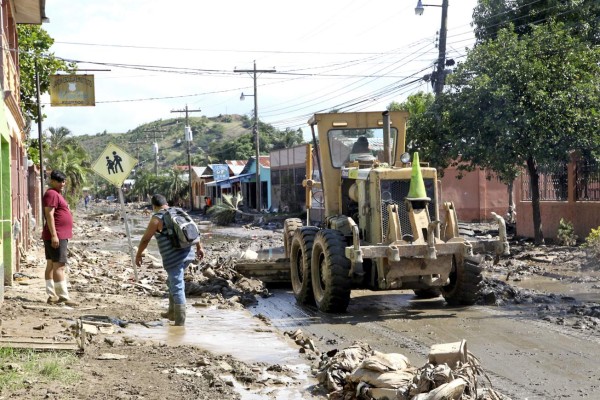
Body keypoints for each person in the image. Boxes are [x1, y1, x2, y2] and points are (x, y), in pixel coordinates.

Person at [135, 194, 205, 326]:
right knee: (171, 281)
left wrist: (138, 254)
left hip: (174, 258)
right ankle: (172, 312)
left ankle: (180, 321)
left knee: (177, 285)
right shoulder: (179, 211)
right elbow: (194, 228)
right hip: (188, 254)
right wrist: (199, 247)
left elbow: (145, 239)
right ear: (166, 203)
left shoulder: (157, 218)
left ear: (154, 206)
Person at [42, 170, 78, 306]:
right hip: (57, 235)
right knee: (59, 266)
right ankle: (63, 296)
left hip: (57, 235)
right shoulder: (51, 194)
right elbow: (49, 215)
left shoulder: (56, 194)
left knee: (51, 265)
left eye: (63, 181)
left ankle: (51, 295)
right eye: (59, 181)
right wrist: (54, 235)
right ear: (52, 181)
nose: (62, 184)